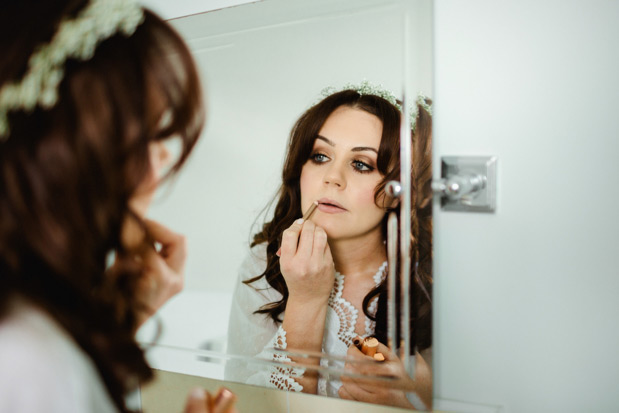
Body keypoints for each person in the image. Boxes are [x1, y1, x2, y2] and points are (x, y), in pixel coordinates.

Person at [0, 1, 236, 412]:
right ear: (65, 147)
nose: (163, 162)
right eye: (150, 136)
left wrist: (119, 320)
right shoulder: (30, 360)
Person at [226, 81, 433, 409]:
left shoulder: (432, 277)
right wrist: (306, 301)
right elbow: (248, 405)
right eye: (320, 156)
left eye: (361, 163)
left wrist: (415, 401)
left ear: (400, 190)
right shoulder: (263, 264)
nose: (332, 178)